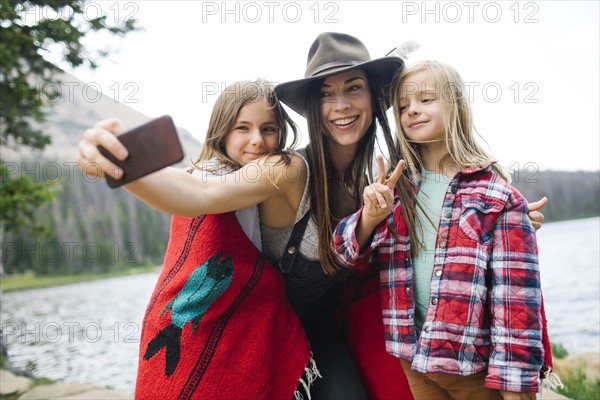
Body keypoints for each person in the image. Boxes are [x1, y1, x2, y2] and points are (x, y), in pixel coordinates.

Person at [78, 33, 547, 400]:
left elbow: (432, 227)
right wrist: (122, 165)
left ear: (374, 98)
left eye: (353, 89)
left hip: (334, 326)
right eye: (327, 94)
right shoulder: (287, 170)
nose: (341, 105)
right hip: (271, 328)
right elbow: (197, 193)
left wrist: (502, 221)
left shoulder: (380, 173)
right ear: (314, 109)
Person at [79, 79, 320, 399]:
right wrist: (119, 166)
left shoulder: (276, 170)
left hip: (250, 319)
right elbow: (194, 193)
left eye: (268, 129)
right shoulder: (210, 174)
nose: (257, 140)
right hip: (193, 321)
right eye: (242, 128)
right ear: (222, 130)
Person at [330, 60, 556, 400]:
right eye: (403, 106)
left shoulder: (495, 194)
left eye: (425, 99)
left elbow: (515, 301)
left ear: (455, 105)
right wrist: (370, 216)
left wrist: (516, 388)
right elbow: (340, 251)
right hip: (412, 356)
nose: (412, 111)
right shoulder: (396, 189)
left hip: (470, 366)